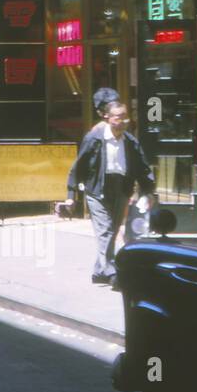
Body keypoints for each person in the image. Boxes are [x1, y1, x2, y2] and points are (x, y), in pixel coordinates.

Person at [66, 88, 156, 288]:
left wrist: (148, 191)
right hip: (98, 190)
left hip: (121, 189)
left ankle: (99, 271)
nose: (123, 121)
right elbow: (78, 166)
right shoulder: (94, 138)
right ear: (107, 117)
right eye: (118, 118)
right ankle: (113, 271)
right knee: (105, 231)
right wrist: (71, 195)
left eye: (125, 117)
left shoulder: (131, 142)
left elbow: (142, 167)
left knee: (113, 230)